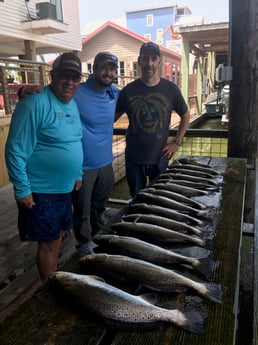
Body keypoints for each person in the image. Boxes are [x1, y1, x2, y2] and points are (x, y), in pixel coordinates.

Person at [5, 52, 83, 281]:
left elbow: (76, 139)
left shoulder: (73, 104)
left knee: (57, 236)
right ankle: (50, 290)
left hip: (65, 189)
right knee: (48, 243)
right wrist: (22, 188)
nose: (70, 82)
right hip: (41, 190)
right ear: (53, 76)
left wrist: (77, 173)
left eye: (75, 77)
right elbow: (15, 149)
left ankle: (53, 277)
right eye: (64, 76)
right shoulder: (34, 103)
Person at [115, 41, 190, 197]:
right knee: (137, 202)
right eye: (145, 58)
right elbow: (110, 118)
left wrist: (176, 142)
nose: (149, 63)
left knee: (161, 201)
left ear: (159, 62)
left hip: (160, 159)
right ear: (139, 60)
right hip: (133, 160)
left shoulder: (171, 89)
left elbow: (185, 115)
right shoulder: (127, 91)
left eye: (153, 59)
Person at [72, 52, 120, 255]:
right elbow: (51, 94)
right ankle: (83, 244)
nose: (108, 72)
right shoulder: (77, 90)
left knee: (100, 206)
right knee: (82, 210)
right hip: (83, 165)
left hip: (106, 162)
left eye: (112, 69)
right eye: (103, 67)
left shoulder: (115, 93)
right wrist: (26, 92)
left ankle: (99, 237)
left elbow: (116, 114)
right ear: (94, 68)